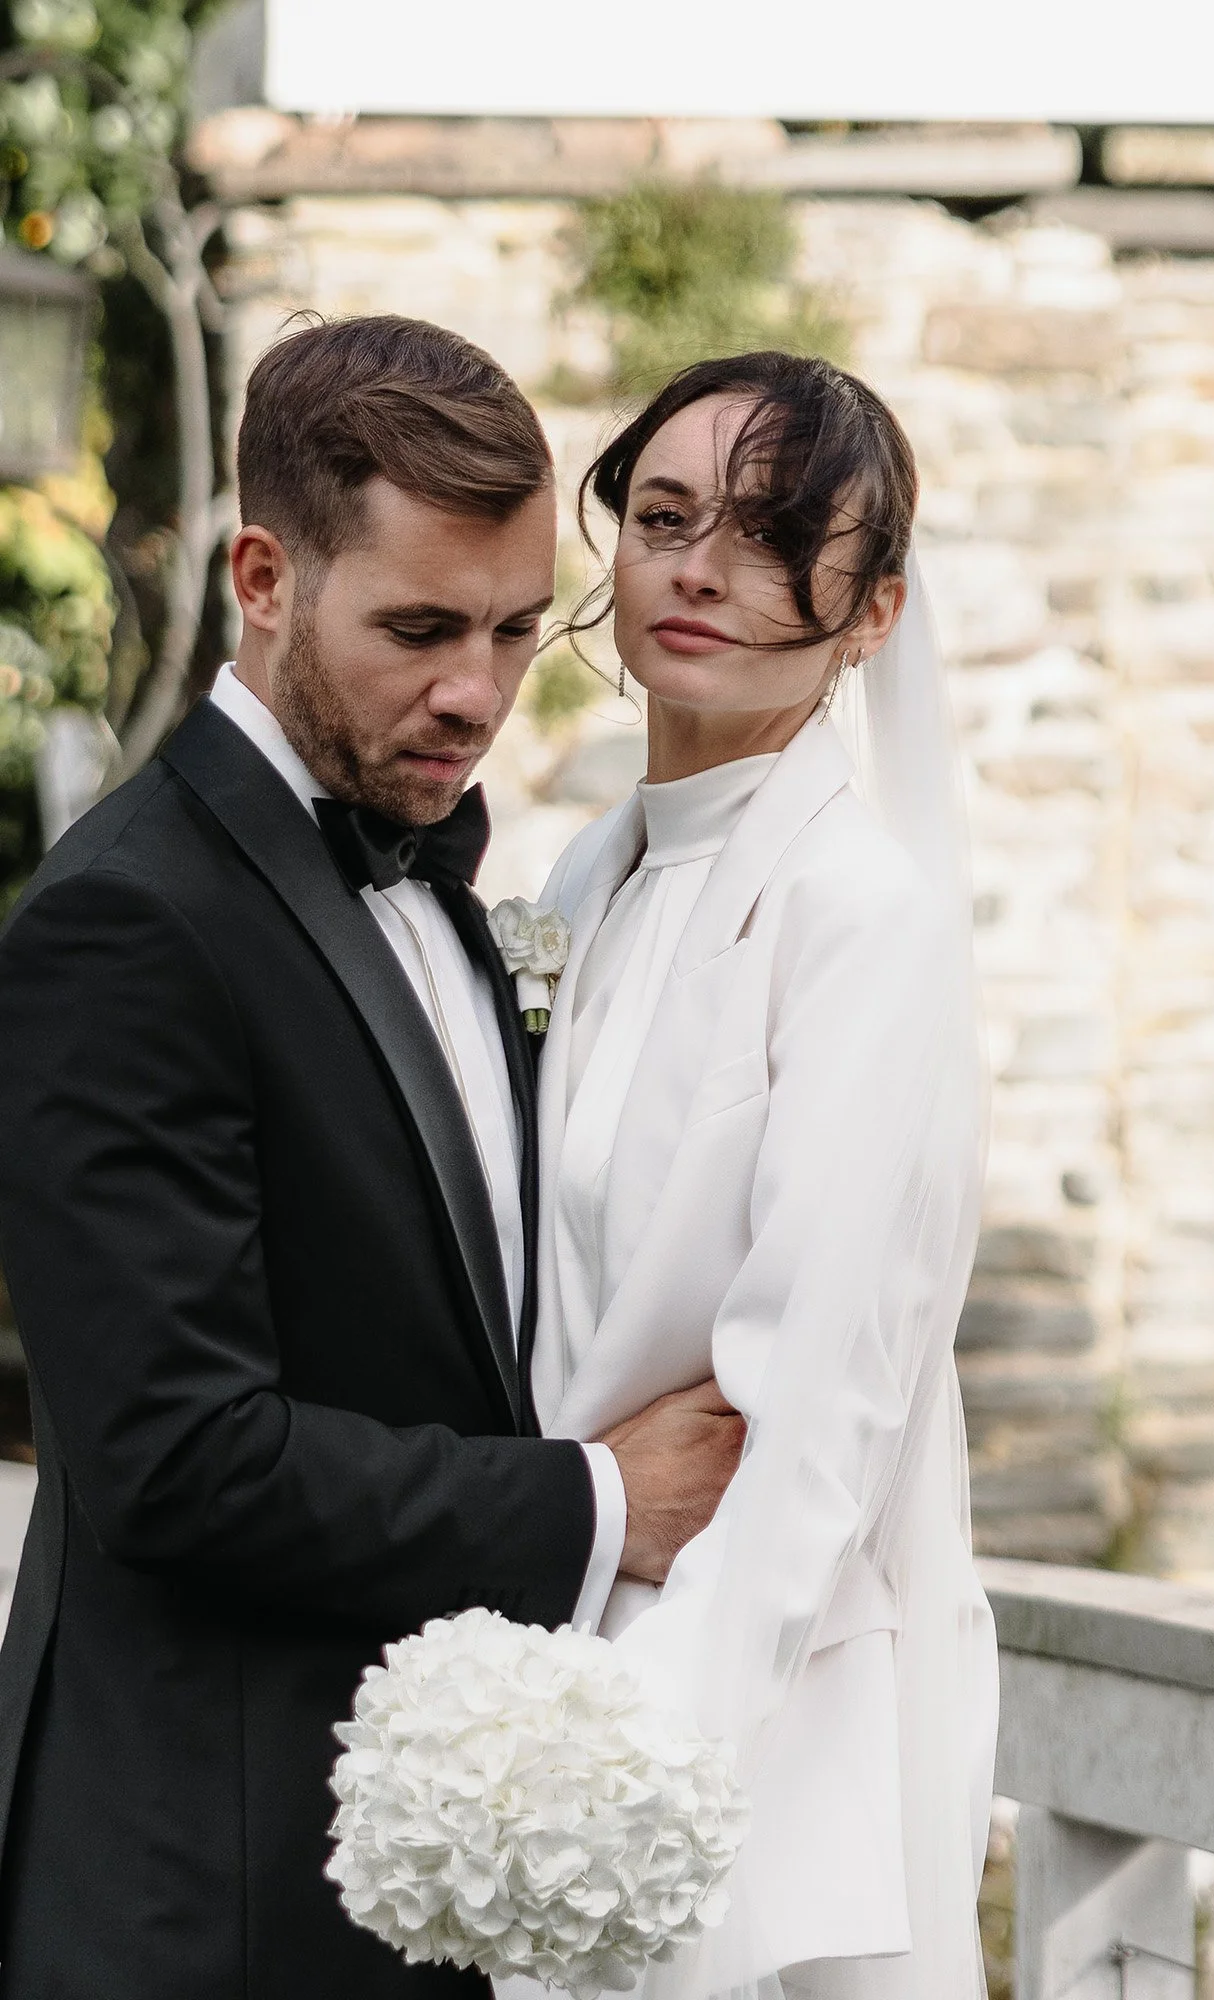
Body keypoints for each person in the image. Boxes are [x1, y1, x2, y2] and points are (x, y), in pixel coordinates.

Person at [0, 317, 744, 2000]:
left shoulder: (449, 894)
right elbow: (176, 1461)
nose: (475, 695)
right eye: (417, 629)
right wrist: (603, 1501)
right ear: (263, 576)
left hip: (434, 1891)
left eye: (511, 631)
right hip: (209, 1899)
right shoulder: (127, 921)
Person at [526, 352, 998, 2000]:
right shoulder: (579, 882)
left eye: (771, 531)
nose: (698, 565)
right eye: (663, 515)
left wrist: (640, 1746)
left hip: (747, 1724)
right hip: (543, 1652)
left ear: (871, 614)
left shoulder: (860, 914)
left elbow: (826, 1407)